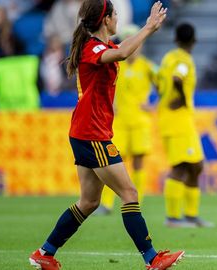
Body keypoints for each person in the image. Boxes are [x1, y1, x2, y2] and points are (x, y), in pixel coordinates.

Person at [28, 1, 184, 270]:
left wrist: (146, 32)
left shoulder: (101, 46)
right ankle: (152, 258)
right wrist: (148, 27)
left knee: (88, 201)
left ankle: (45, 253)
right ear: (105, 20)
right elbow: (123, 53)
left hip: (85, 131)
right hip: (92, 134)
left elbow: (121, 50)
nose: (117, 21)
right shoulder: (92, 48)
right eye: (115, 16)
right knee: (129, 192)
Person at [96, 24, 158, 214]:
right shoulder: (115, 64)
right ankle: (106, 204)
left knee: (139, 162)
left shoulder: (148, 67)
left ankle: (136, 201)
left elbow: (167, 86)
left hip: (140, 121)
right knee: (113, 163)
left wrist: (154, 105)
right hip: (120, 122)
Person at [157, 23, 213, 228]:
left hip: (173, 119)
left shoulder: (167, 58)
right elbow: (177, 78)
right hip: (177, 119)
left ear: (175, 39)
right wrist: (179, 99)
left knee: (196, 166)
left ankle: (190, 215)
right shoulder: (183, 60)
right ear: (194, 40)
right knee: (181, 167)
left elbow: (159, 81)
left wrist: (165, 97)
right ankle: (173, 218)